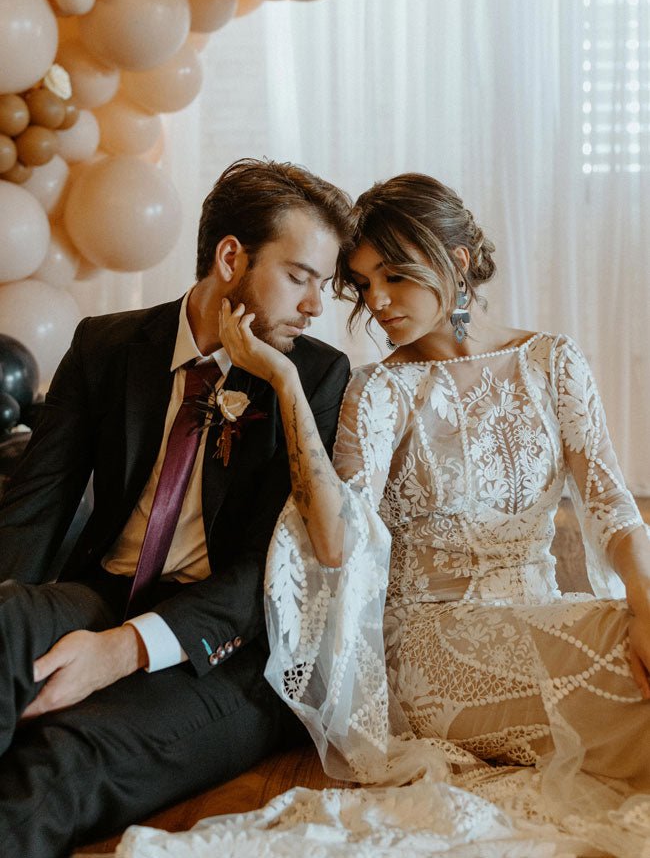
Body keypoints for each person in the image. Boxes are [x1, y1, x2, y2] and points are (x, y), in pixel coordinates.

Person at [140, 172, 649, 857]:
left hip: (542, 612)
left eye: (395, 276)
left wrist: (645, 601)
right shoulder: (380, 390)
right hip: (428, 647)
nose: (376, 302)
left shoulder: (553, 362)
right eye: (363, 281)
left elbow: (612, 503)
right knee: (620, 668)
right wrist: (284, 381)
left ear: (458, 264)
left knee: (629, 644)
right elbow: (333, 541)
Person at [0, 157, 354, 857]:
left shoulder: (311, 377)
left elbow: (266, 572)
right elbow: (34, 513)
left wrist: (124, 651)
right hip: (102, 590)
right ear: (231, 257)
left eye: (324, 285)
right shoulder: (104, 345)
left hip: (228, 652)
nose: (316, 306)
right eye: (299, 277)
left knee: (67, 757)